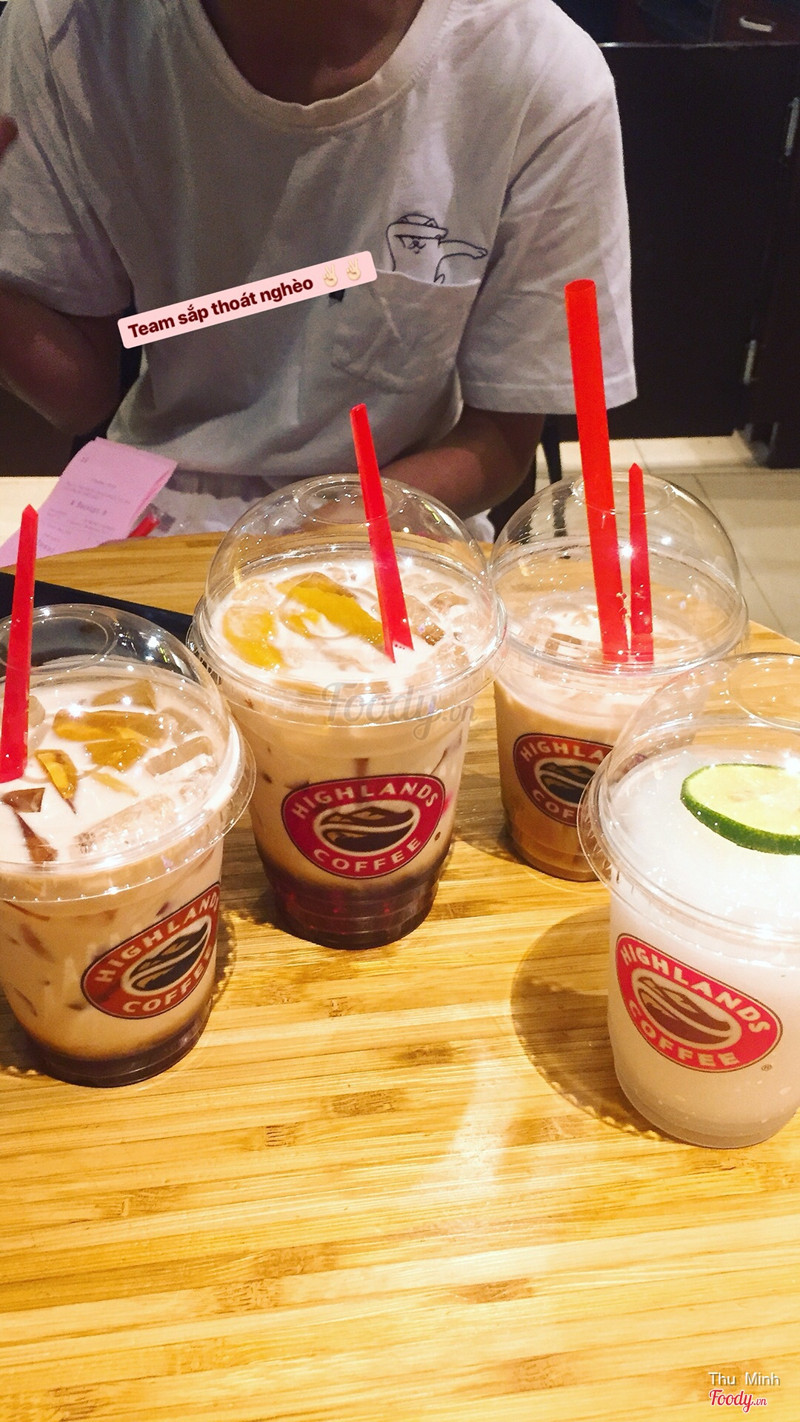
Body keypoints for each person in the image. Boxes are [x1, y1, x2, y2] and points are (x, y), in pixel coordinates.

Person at [0, 0, 635, 535]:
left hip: (395, 520)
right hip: (151, 502)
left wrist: (304, 536)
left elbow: (501, 440)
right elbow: (82, 397)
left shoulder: (538, 67)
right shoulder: (70, 27)